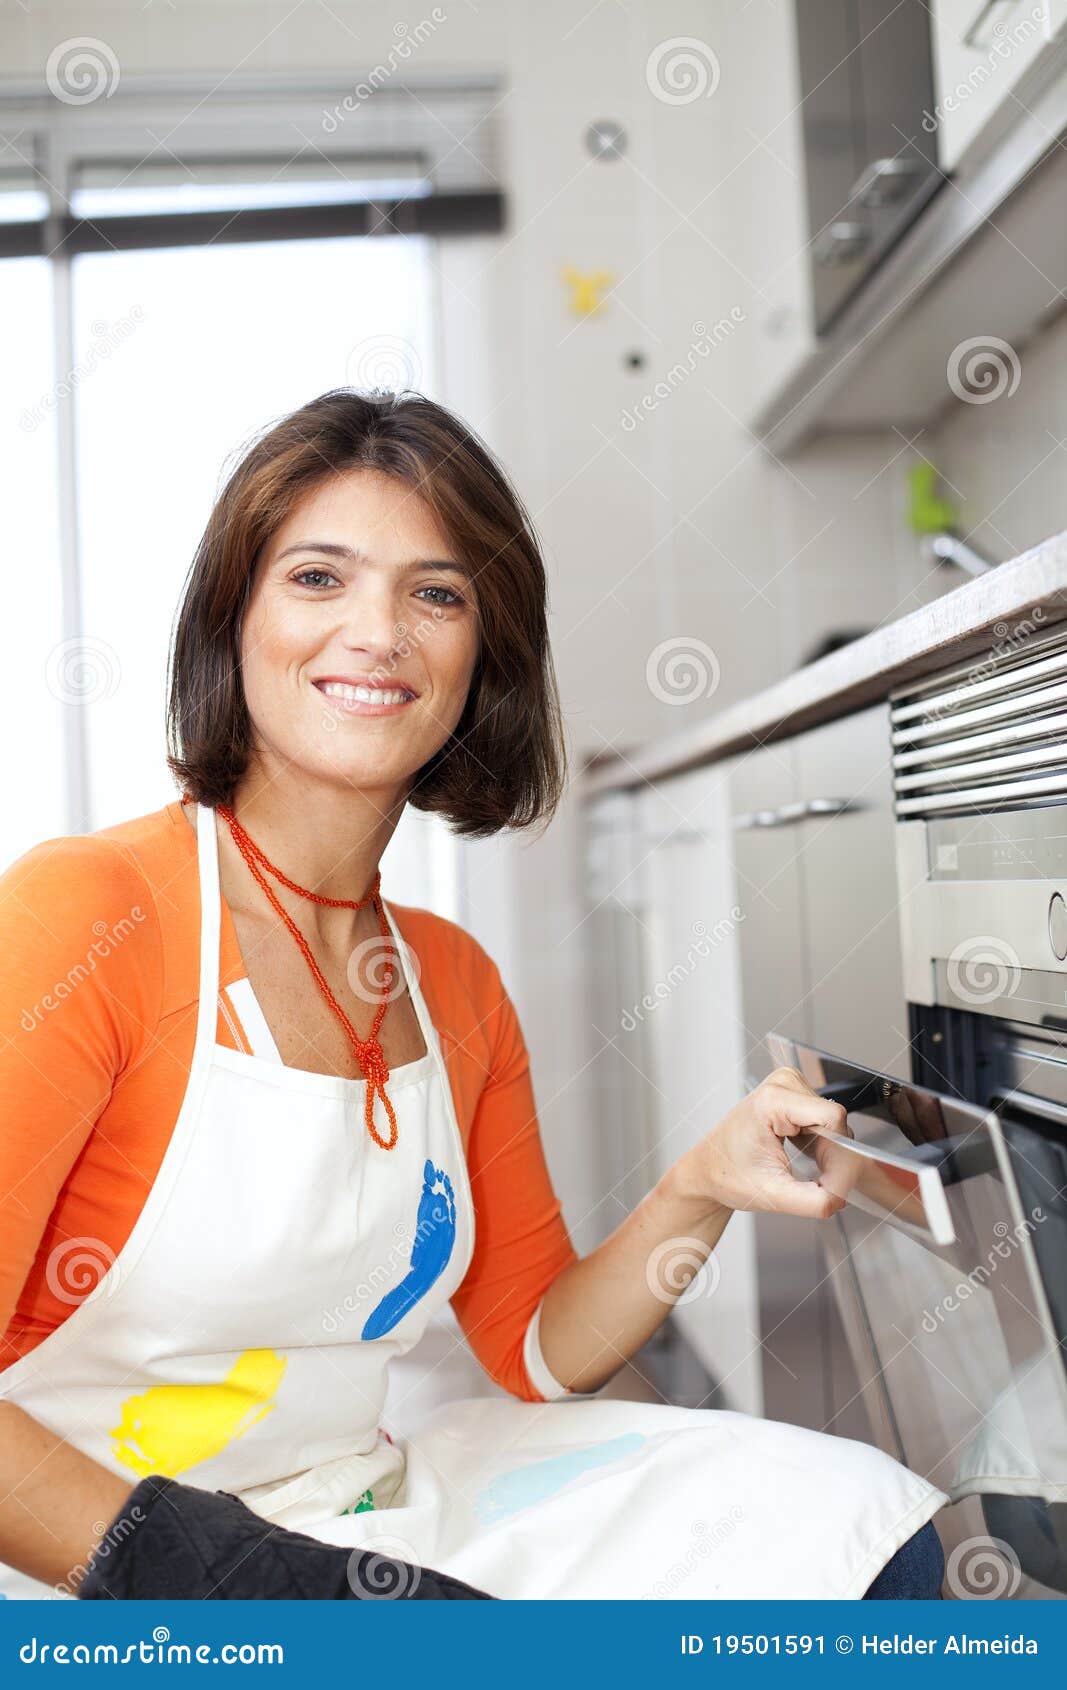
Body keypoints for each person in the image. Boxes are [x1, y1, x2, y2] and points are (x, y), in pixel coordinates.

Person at [0, 389, 947, 1601]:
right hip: (95, 1572)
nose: (378, 632)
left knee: (858, 1527)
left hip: (358, 1508)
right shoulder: (90, 914)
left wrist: (698, 1182)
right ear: (231, 622)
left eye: (435, 594)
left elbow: (531, 1348)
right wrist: (260, 1585)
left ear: (479, 660)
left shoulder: (447, 979)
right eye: (317, 579)